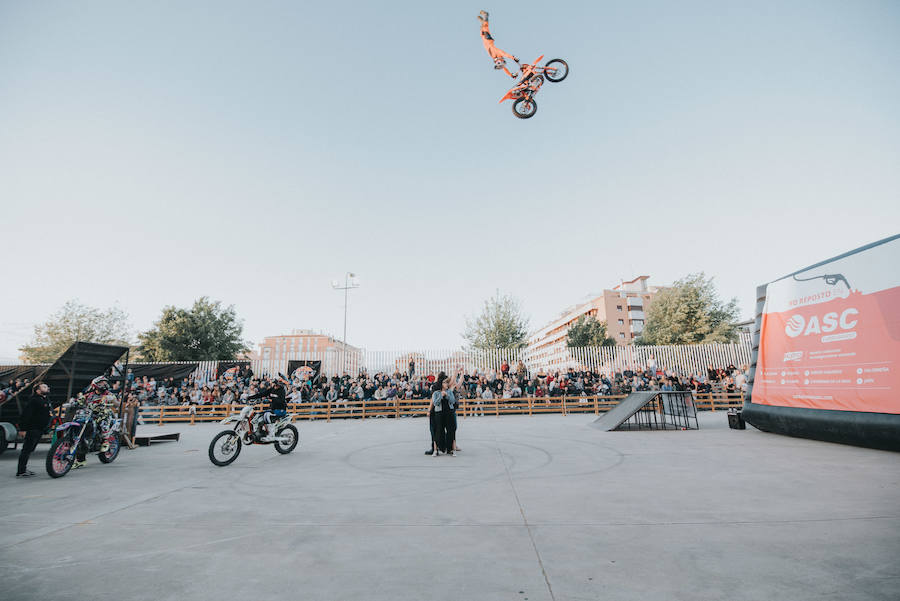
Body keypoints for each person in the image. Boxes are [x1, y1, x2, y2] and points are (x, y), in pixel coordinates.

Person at [16, 382, 52, 477]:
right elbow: (26, 415)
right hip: (32, 428)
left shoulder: (44, 399)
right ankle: (21, 471)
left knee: (30, 449)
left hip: (39, 429)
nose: (47, 388)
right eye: (44, 387)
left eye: (47, 386)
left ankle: (23, 469)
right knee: (26, 450)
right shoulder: (34, 400)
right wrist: (23, 429)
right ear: (38, 390)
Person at [477, 10, 519, 78]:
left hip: (485, 42)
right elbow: (506, 54)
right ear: (501, 60)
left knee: (481, 31)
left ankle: (482, 22)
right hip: (488, 40)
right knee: (485, 28)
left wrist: (511, 75)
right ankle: (486, 16)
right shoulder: (498, 54)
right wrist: (514, 58)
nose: (496, 63)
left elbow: (504, 69)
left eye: (497, 64)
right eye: (499, 63)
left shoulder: (494, 57)